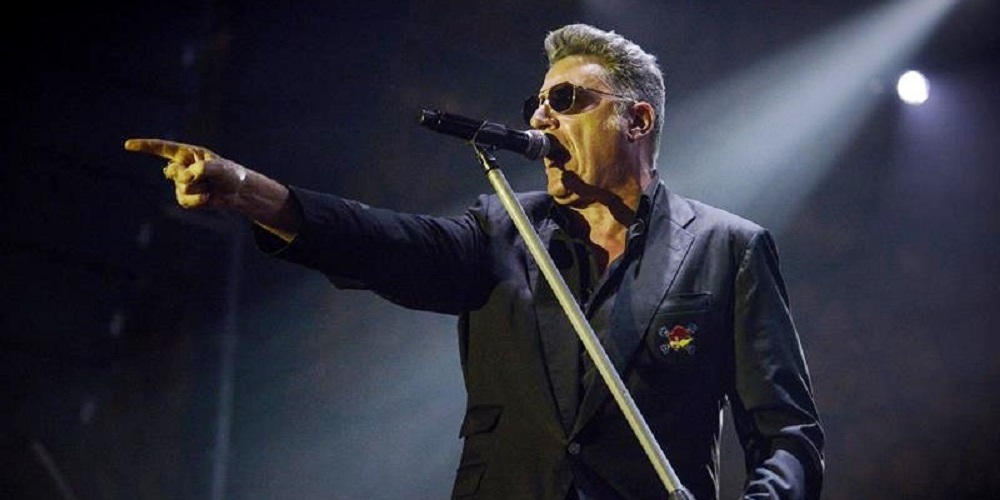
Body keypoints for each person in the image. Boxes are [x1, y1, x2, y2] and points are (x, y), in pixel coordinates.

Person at [125, 23, 823, 500]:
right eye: (536, 103)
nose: (539, 119)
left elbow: (787, 435)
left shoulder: (725, 248)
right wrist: (250, 192)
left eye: (565, 100)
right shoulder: (502, 228)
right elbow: (382, 242)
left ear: (636, 120)